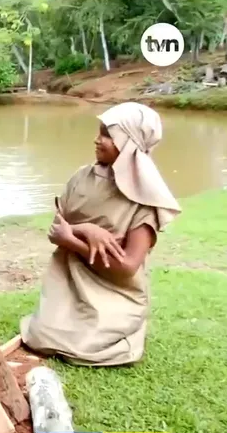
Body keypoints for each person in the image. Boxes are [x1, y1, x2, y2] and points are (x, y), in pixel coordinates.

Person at [20, 102, 182, 367]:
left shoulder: (145, 200)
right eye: (99, 132)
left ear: (128, 142)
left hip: (115, 290)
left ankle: (119, 331)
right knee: (40, 337)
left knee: (89, 349)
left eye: (107, 134)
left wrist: (72, 241)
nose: (97, 140)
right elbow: (56, 230)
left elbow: (127, 266)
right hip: (68, 281)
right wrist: (86, 230)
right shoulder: (82, 177)